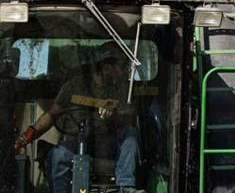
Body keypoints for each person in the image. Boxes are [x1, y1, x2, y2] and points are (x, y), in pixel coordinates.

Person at [14, 43, 140, 193]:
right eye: (122, 66)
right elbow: (52, 114)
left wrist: (113, 117)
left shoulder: (122, 89)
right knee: (58, 154)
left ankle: (126, 187)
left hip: (107, 145)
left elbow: (130, 118)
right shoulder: (73, 86)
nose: (125, 71)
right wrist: (27, 135)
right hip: (76, 142)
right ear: (107, 68)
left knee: (130, 136)